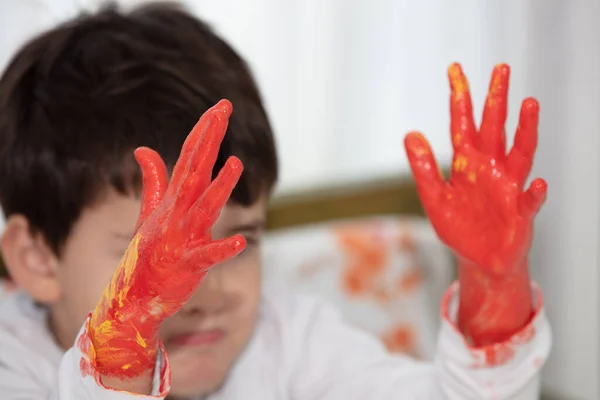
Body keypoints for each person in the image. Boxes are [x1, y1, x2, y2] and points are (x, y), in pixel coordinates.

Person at [0, 3, 551, 400]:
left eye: (238, 244)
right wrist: (123, 340)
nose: (205, 291)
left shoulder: (283, 336)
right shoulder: (12, 367)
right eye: (147, 258)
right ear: (37, 258)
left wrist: (493, 291)